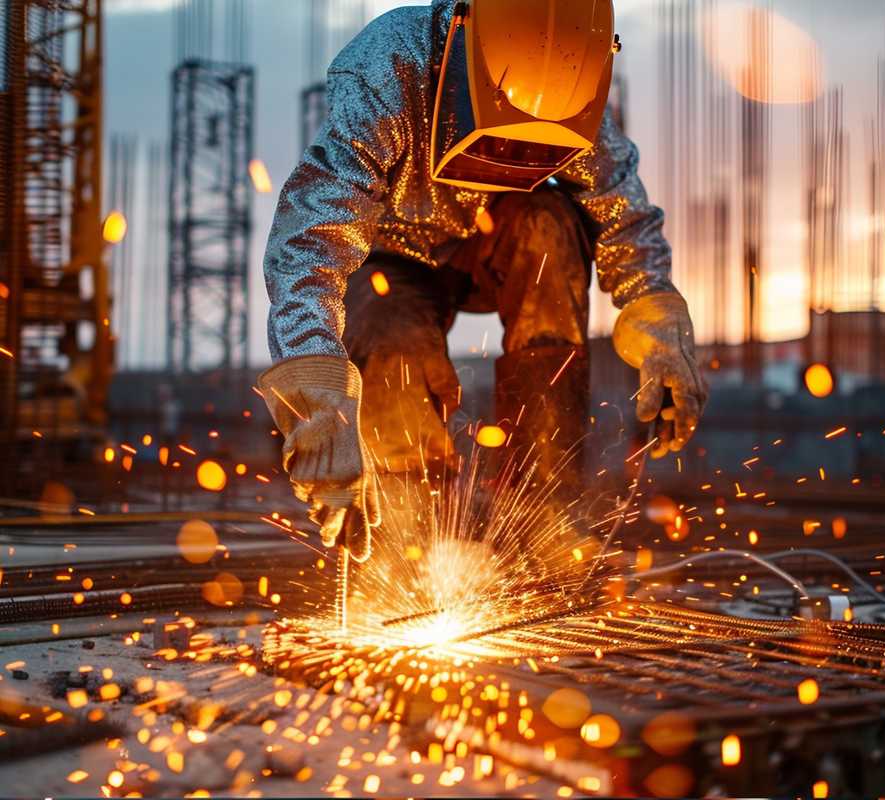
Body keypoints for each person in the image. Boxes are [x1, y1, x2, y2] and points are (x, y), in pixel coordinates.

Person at [257, 0, 706, 558]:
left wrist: (658, 320)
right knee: (388, 329)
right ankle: (405, 539)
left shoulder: (571, 82)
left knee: (551, 226)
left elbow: (623, 212)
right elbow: (311, 239)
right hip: (391, 259)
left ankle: (546, 519)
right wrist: (318, 394)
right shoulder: (392, 65)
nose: (516, 156)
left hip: (498, 247)